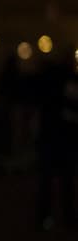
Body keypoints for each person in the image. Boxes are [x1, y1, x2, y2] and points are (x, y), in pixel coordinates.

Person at [32, 45, 78, 231]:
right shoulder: (69, 81)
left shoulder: (47, 81)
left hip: (49, 136)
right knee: (66, 179)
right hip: (64, 136)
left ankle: (45, 217)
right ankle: (67, 218)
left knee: (47, 179)